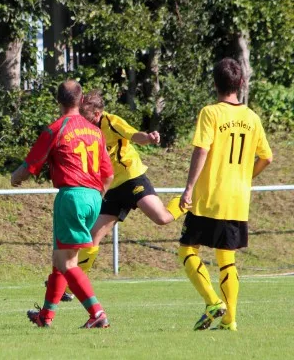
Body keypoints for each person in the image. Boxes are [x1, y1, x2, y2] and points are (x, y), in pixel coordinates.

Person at [177, 58, 272, 331]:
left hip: (210, 197)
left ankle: (212, 302)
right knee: (226, 259)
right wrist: (245, 177)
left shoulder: (211, 113)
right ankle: (230, 319)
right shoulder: (252, 118)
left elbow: (202, 149)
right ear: (241, 83)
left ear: (215, 83)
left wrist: (189, 187)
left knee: (187, 249)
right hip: (237, 199)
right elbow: (267, 157)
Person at [11, 79, 114, 328]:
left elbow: (29, 166)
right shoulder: (95, 131)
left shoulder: (56, 129)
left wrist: (15, 178)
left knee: (67, 262)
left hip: (71, 196)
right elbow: (109, 174)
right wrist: (94, 197)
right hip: (94, 196)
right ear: (81, 100)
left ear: (58, 101)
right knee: (60, 259)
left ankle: (97, 313)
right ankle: (45, 316)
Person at [73, 90, 185, 279]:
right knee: (92, 237)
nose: (82, 120)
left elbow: (133, 135)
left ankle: (189, 200)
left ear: (97, 114)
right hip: (111, 187)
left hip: (131, 177)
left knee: (162, 218)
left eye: (85, 116)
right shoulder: (84, 130)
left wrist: (148, 138)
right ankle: (70, 284)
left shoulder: (111, 122)